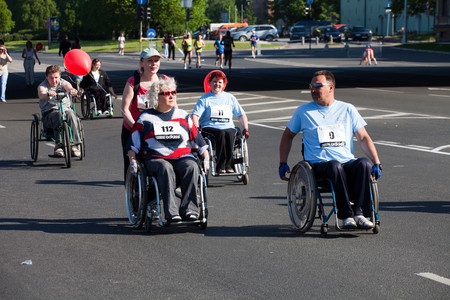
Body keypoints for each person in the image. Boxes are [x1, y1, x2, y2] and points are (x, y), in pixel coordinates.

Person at [278, 70, 382, 229]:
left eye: (317, 86)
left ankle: (360, 214)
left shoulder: (347, 109)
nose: (313, 89)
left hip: (346, 162)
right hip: (319, 165)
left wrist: (376, 161)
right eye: (311, 86)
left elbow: (363, 137)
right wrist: (283, 162)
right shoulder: (303, 112)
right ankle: (346, 215)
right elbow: (287, 136)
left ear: (331, 88)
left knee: (363, 164)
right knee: (334, 165)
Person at [127, 76, 209, 223]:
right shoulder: (145, 118)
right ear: (156, 97)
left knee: (191, 166)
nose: (171, 96)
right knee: (165, 167)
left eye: (173, 93)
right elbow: (133, 144)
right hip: (156, 158)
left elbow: (199, 141)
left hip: (182, 157)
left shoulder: (183, 115)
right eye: (166, 93)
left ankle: (190, 210)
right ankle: (171, 212)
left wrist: (206, 157)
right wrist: (132, 160)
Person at [192, 70, 249, 174]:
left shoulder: (230, 98)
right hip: (209, 127)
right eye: (214, 81)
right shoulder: (204, 99)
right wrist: (197, 129)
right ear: (209, 83)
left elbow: (241, 114)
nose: (217, 84)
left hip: (228, 126)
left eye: (220, 82)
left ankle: (229, 165)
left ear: (223, 84)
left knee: (230, 133)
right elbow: (195, 115)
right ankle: (220, 166)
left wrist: (246, 128)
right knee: (221, 133)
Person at [120, 48, 163, 182]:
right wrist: (136, 127)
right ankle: (133, 193)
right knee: (132, 164)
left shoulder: (164, 81)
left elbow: (174, 107)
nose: (153, 64)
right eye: (150, 61)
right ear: (142, 63)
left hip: (157, 130)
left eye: (156, 61)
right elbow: (124, 109)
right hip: (133, 130)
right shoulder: (134, 82)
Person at [37, 65, 81, 157]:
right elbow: (41, 94)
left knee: (71, 114)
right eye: (51, 78)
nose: (54, 81)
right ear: (46, 77)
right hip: (50, 114)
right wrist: (48, 94)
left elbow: (68, 87)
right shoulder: (43, 85)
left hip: (66, 111)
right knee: (58, 115)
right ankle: (59, 146)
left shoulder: (63, 83)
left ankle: (75, 145)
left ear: (59, 76)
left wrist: (72, 90)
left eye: (56, 77)